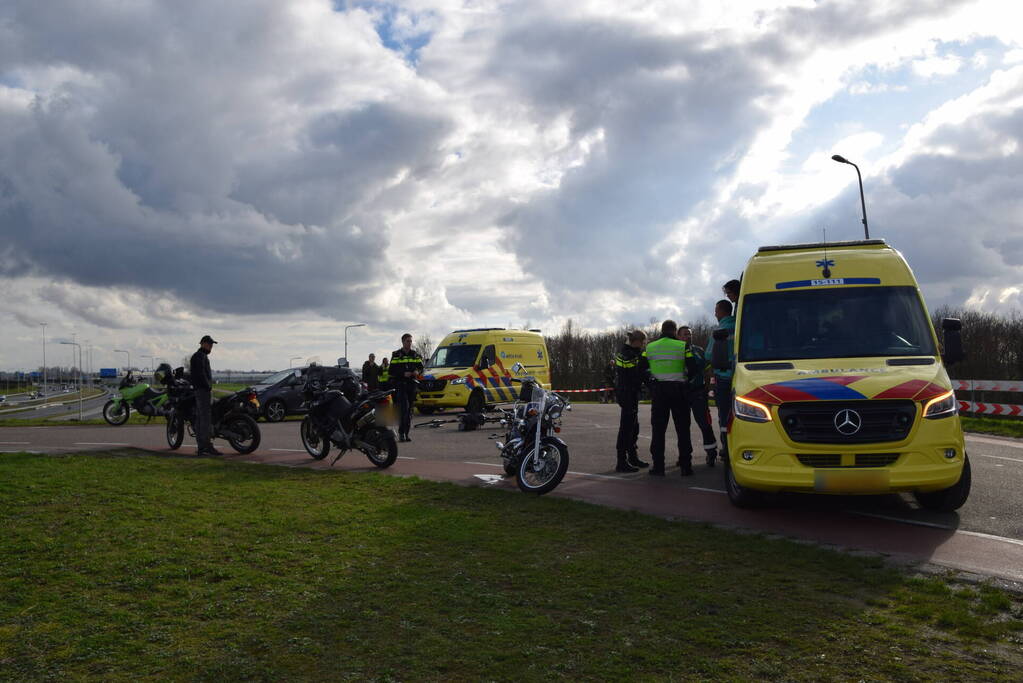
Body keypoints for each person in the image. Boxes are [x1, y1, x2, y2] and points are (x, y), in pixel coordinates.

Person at [644, 320, 700, 476]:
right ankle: (685, 466)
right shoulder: (683, 346)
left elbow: (640, 369)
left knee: (658, 430)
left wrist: (651, 383)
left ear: (662, 330)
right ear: (675, 331)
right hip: (679, 390)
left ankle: (658, 467)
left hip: (659, 392)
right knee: (683, 430)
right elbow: (694, 369)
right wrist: (686, 381)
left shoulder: (650, 347)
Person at [677, 325, 719, 467]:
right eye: (684, 334)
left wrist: (706, 388)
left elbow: (708, 371)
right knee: (683, 426)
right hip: (681, 393)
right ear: (678, 336)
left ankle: (711, 452)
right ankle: (684, 456)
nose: (688, 336)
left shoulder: (699, 351)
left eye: (689, 334)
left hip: (698, 392)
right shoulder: (675, 351)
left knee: (704, 423)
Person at [705, 300, 736, 463]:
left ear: (722, 311)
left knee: (724, 415)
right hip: (742, 377)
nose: (715, 314)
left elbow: (709, 356)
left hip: (723, 378)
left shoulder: (719, 329)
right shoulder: (741, 324)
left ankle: (726, 447)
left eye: (716, 310)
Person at [613, 330, 649, 472]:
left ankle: (633, 456)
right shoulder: (627, 355)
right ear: (637, 341)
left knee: (634, 427)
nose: (644, 345)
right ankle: (621, 461)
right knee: (626, 428)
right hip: (626, 394)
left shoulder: (633, 353)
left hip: (631, 393)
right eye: (643, 342)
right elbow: (634, 375)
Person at [189, 334, 221, 456]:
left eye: (212, 344)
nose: (211, 346)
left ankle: (203, 446)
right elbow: (201, 374)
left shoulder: (200, 356)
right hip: (203, 391)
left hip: (201, 390)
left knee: (201, 419)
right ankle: (205, 447)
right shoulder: (199, 357)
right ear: (202, 343)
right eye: (209, 344)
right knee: (205, 419)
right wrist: (208, 386)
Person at [390, 334, 424, 442]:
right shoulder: (396, 355)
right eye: (407, 341)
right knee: (404, 409)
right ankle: (401, 433)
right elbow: (391, 371)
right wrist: (403, 374)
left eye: (410, 341)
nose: (409, 343)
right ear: (403, 342)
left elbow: (421, 367)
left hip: (412, 385)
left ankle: (406, 433)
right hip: (401, 385)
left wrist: (417, 372)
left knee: (409, 411)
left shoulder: (414, 354)